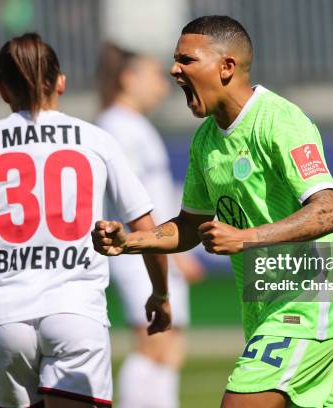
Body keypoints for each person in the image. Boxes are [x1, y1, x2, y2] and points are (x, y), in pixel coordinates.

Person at [92, 15, 333, 408]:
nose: (174, 70)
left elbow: (326, 214)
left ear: (226, 67)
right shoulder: (205, 141)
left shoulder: (280, 122)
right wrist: (130, 241)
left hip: (308, 308)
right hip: (263, 312)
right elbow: (189, 225)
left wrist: (245, 237)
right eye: (174, 59)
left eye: (186, 60)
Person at [0, 33, 171, 408]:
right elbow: (148, 230)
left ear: (2, 90)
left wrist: (2, 252)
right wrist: (161, 294)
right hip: (76, 310)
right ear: (61, 83)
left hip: (7, 316)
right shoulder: (97, 140)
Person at [95, 43, 205, 408]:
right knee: (153, 343)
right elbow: (131, 202)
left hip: (158, 248)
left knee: (169, 348)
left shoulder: (135, 126)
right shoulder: (118, 128)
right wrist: (167, 252)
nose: (163, 84)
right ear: (128, 78)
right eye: (154, 75)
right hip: (143, 253)